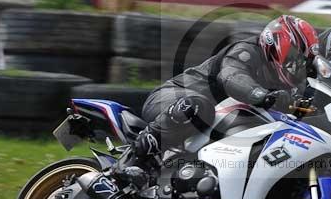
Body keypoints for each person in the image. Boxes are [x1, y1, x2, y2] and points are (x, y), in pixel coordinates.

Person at [128, 15, 319, 170]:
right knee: (199, 106)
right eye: (295, 60)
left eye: (303, 63)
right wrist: (261, 95)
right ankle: (139, 151)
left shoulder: (286, 83)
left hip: (215, 125)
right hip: (174, 98)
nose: (297, 68)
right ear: (278, 46)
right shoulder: (247, 51)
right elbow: (231, 76)